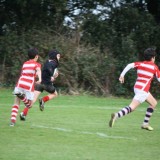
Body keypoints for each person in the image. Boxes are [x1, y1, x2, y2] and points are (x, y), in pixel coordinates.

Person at [109, 48, 160, 131]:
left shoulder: (140, 64)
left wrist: (122, 75)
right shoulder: (154, 67)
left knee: (153, 102)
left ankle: (145, 124)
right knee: (132, 107)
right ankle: (116, 115)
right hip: (142, 90)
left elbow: (129, 65)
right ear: (153, 58)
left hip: (137, 88)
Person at [22, 49, 60, 114]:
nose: (59, 57)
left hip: (40, 83)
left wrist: (52, 75)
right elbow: (49, 69)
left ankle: (23, 113)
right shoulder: (53, 63)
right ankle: (43, 100)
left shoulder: (48, 61)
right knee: (55, 94)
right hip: (46, 84)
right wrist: (51, 76)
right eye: (58, 56)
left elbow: (47, 70)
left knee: (33, 100)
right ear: (54, 56)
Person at [10, 48, 41, 126]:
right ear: (36, 56)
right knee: (29, 105)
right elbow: (38, 70)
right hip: (28, 85)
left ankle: (12, 122)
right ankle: (23, 97)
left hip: (20, 83)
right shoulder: (36, 64)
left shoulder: (25, 64)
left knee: (16, 102)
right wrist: (40, 78)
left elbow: (28, 73)